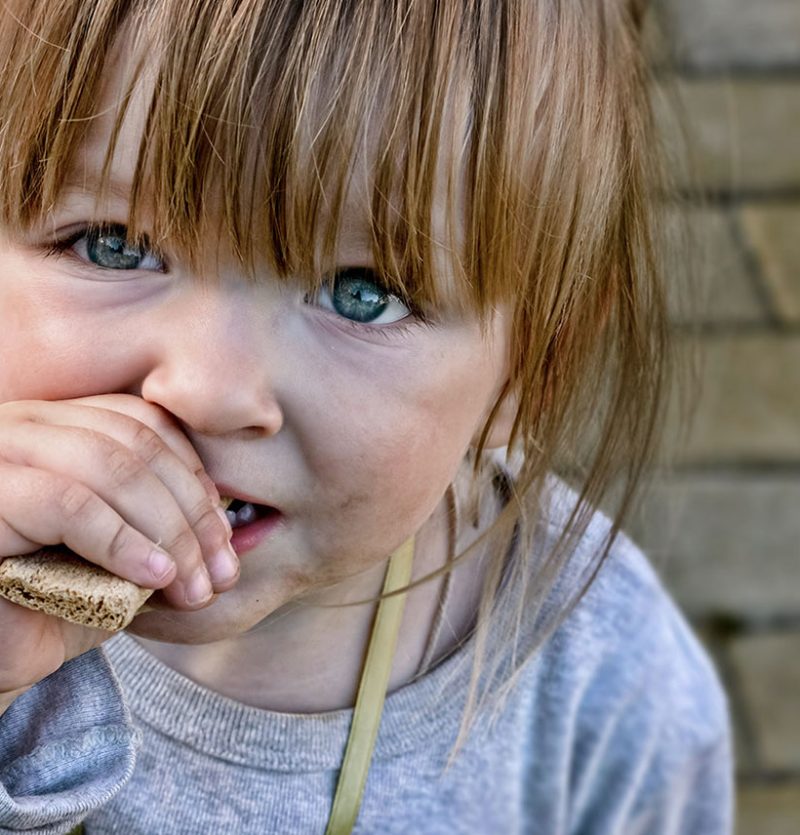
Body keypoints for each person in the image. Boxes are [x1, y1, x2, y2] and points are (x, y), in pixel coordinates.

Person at [0, 1, 732, 833]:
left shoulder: (609, 688)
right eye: (110, 244)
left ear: (531, 368)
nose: (207, 389)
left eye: (363, 293)